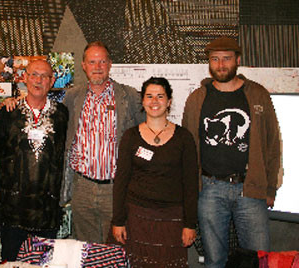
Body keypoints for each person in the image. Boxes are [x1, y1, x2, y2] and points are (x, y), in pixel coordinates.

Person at [182, 37, 281, 268]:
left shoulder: (258, 95)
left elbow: (273, 143)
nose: (221, 65)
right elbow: (187, 149)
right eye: (215, 59)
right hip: (210, 190)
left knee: (258, 258)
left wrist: (270, 188)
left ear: (237, 60)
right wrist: (190, 191)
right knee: (214, 260)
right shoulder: (197, 98)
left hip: (250, 189)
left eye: (226, 59)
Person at [61, 41, 145, 244]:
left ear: (110, 64)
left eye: (102, 62)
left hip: (115, 189)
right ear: (83, 65)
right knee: (85, 248)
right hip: (82, 188)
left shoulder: (129, 96)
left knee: (117, 248)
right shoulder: (72, 98)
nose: (97, 67)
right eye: (92, 62)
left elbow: (146, 135)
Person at [111, 77, 198, 267]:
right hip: (136, 219)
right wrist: (118, 221)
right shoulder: (130, 136)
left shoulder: (184, 138)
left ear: (169, 101)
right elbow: (121, 182)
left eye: (160, 96)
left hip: (172, 220)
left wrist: (190, 224)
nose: (154, 101)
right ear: (142, 101)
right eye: (149, 96)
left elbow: (191, 184)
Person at [0, 59, 68, 261]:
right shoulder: (8, 113)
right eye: (33, 74)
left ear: (52, 81)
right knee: (11, 262)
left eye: (44, 76)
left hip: (46, 210)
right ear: (24, 77)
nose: (38, 80)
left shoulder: (62, 114)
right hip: (12, 209)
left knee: (43, 264)